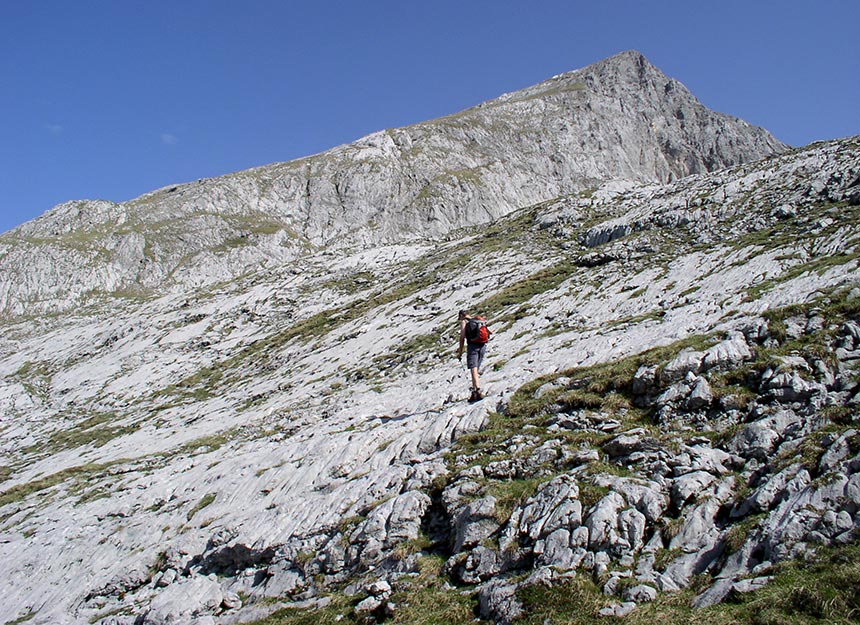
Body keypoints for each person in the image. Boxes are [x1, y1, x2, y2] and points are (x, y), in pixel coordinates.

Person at [457, 310, 488, 402]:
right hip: (482, 346)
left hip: (472, 347)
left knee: (473, 368)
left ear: (462, 316)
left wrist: (460, 352)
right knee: (476, 368)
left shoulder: (464, 322)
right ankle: (474, 392)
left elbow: (462, 338)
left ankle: (477, 390)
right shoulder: (478, 320)